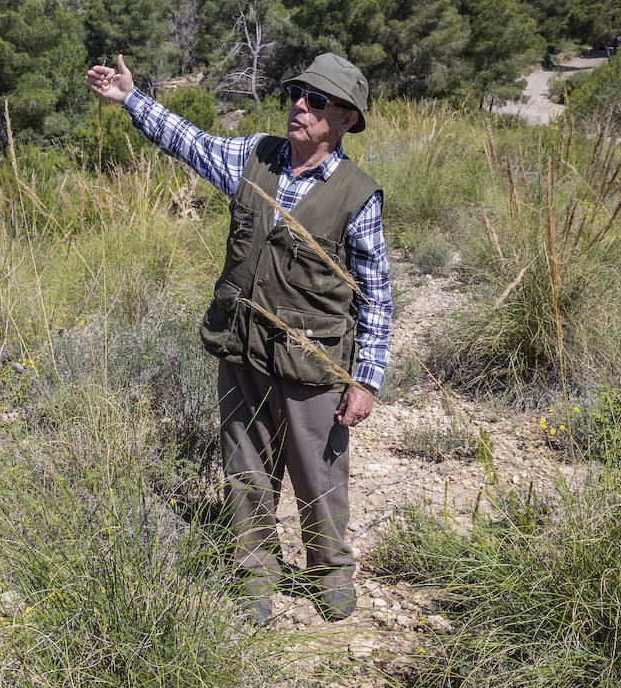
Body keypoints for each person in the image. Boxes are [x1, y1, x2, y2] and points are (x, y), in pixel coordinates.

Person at [85, 53, 393, 623]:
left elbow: (375, 296)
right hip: (242, 345)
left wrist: (366, 381)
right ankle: (255, 572)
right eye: (297, 92)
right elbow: (190, 142)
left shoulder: (357, 194)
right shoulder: (255, 156)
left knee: (318, 474)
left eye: (316, 100)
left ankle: (329, 572)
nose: (299, 105)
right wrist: (130, 97)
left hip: (313, 361)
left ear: (347, 118)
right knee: (245, 466)